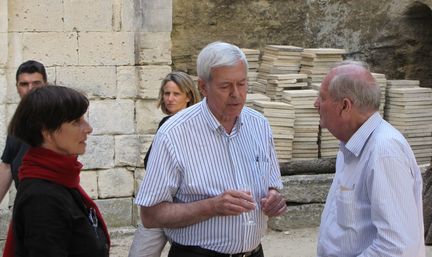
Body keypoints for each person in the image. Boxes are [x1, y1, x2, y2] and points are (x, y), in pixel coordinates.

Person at [135, 41, 286, 257]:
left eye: (242, 84)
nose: (236, 94)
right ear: (203, 87)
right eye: (225, 86)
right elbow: (150, 215)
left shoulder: (259, 125)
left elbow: (273, 187)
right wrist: (212, 207)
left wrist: (275, 199)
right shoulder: (174, 133)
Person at [315, 61, 425, 257]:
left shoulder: (384, 152)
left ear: (344, 106)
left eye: (322, 98)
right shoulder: (352, 145)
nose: (316, 104)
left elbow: (398, 247)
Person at [5, 86, 110, 257]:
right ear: (47, 132)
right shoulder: (42, 198)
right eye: (76, 121)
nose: (88, 128)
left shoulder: (59, 180)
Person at [129, 71, 201, 257]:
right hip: (158, 204)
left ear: (188, 96)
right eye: (166, 93)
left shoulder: (195, 126)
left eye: (176, 94)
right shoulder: (166, 123)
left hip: (180, 205)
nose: (169, 99)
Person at [0, 60, 48, 204]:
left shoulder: (57, 118)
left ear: (45, 84)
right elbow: (7, 166)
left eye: (36, 83)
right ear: (17, 87)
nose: (30, 89)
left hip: (51, 204)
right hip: (25, 203)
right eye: (24, 84)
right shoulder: (18, 122)